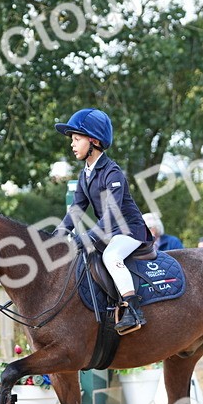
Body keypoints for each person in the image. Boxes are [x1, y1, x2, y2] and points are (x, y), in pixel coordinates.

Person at [55, 108, 152, 334]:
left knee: (111, 256)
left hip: (129, 231)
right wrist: (58, 233)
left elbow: (112, 212)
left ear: (94, 141)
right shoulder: (85, 174)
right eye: (73, 140)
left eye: (77, 139)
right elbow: (77, 208)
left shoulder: (112, 172)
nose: (72, 144)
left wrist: (89, 236)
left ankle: (133, 310)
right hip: (110, 232)